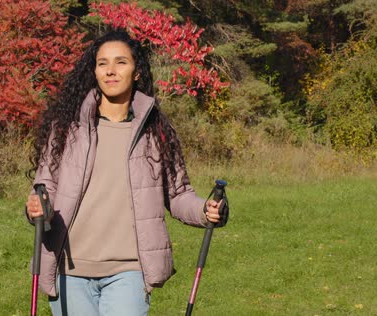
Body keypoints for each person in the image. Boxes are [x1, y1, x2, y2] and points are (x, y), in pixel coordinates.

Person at [25, 29, 227, 316]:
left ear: (137, 72)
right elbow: (44, 189)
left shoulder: (156, 132)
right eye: (102, 63)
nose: (110, 70)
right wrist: (36, 207)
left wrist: (205, 211)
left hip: (130, 269)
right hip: (69, 268)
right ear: (93, 71)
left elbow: (180, 195)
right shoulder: (67, 129)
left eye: (121, 62)